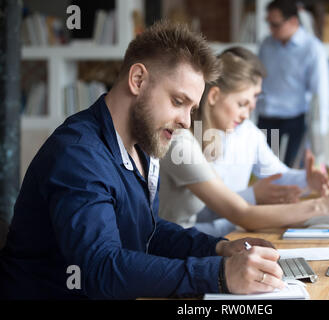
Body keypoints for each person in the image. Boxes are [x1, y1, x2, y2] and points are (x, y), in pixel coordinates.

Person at [0, 22, 286, 300]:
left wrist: (220, 250)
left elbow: (149, 233)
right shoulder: (78, 155)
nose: (187, 121)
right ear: (138, 80)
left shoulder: (142, 147)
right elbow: (100, 269)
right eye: (178, 101)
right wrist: (218, 274)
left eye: (192, 108)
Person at [159, 46, 329, 237]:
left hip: (216, 236)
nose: (247, 114)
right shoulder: (181, 142)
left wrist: (306, 181)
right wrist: (320, 206)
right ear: (214, 96)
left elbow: (275, 176)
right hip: (181, 244)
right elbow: (229, 212)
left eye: (252, 103)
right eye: (242, 104)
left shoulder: (244, 132)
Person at [256, 0, 329, 167]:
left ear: (293, 22)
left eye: (275, 24)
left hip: (295, 120)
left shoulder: (312, 48)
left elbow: (321, 92)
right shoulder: (266, 45)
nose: (271, 29)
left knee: (293, 170)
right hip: (266, 118)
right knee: (266, 170)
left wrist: (319, 134)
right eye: (269, 23)